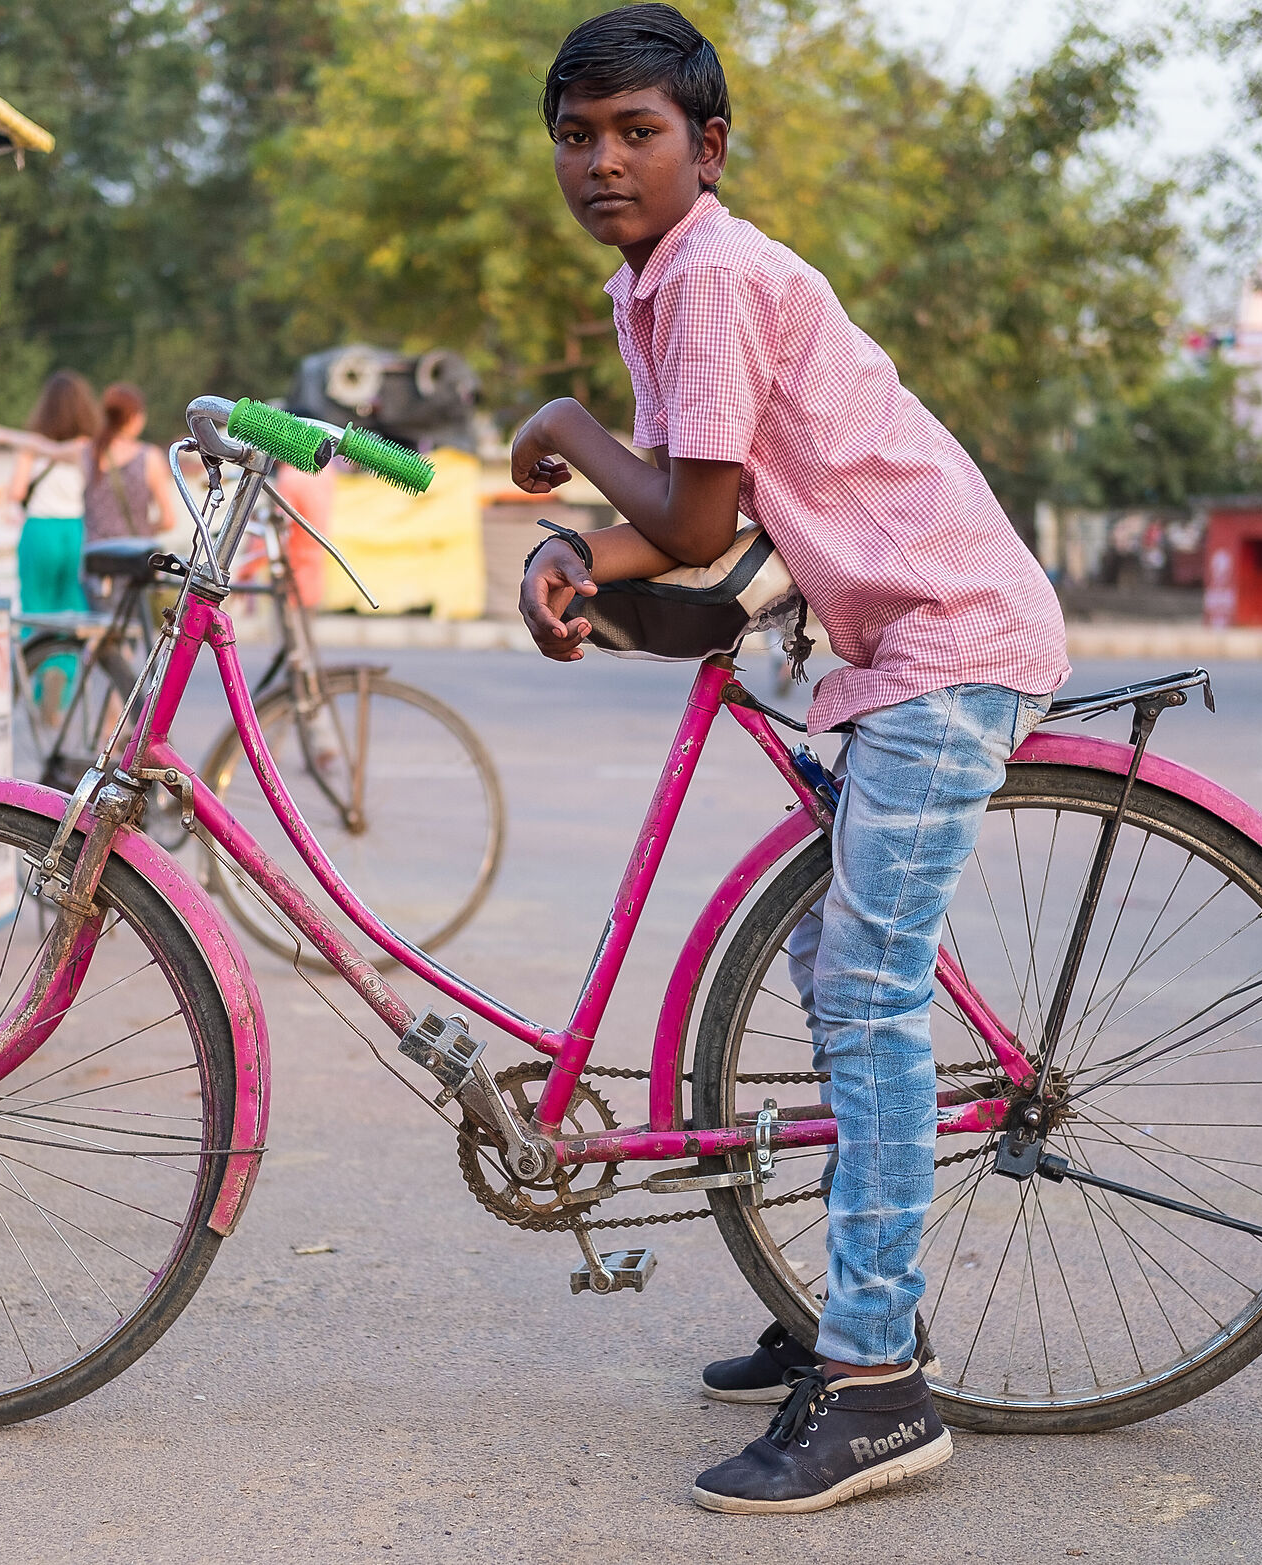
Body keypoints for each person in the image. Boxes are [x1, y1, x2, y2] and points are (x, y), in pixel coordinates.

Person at [511, 5, 1068, 1515]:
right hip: (884, 650)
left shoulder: (715, 277)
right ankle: (852, 1303)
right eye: (579, 135)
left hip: (947, 640)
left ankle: (879, 1385)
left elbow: (693, 532)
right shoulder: (663, 283)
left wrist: (562, 431)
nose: (604, 162)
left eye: (638, 132)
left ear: (710, 145)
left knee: (873, 988)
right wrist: (576, 560)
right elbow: (694, 521)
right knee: (834, 975)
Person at [82, 382, 180, 545]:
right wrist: (142, 530)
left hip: (95, 557)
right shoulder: (149, 456)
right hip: (134, 556)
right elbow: (168, 519)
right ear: (134, 417)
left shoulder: (87, 452)